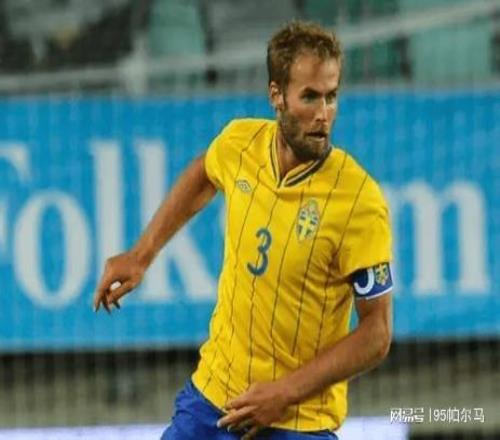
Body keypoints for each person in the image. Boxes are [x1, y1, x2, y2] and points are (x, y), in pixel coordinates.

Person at [94, 21, 393, 440]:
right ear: (277, 96)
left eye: (332, 96)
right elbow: (204, 171)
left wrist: (285, 393)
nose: (323, 113)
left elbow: (376, 333)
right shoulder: (241, 143)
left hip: (297, 422)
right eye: (309, 96)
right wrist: (142, 254)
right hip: (214, 399)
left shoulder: (359, 201)